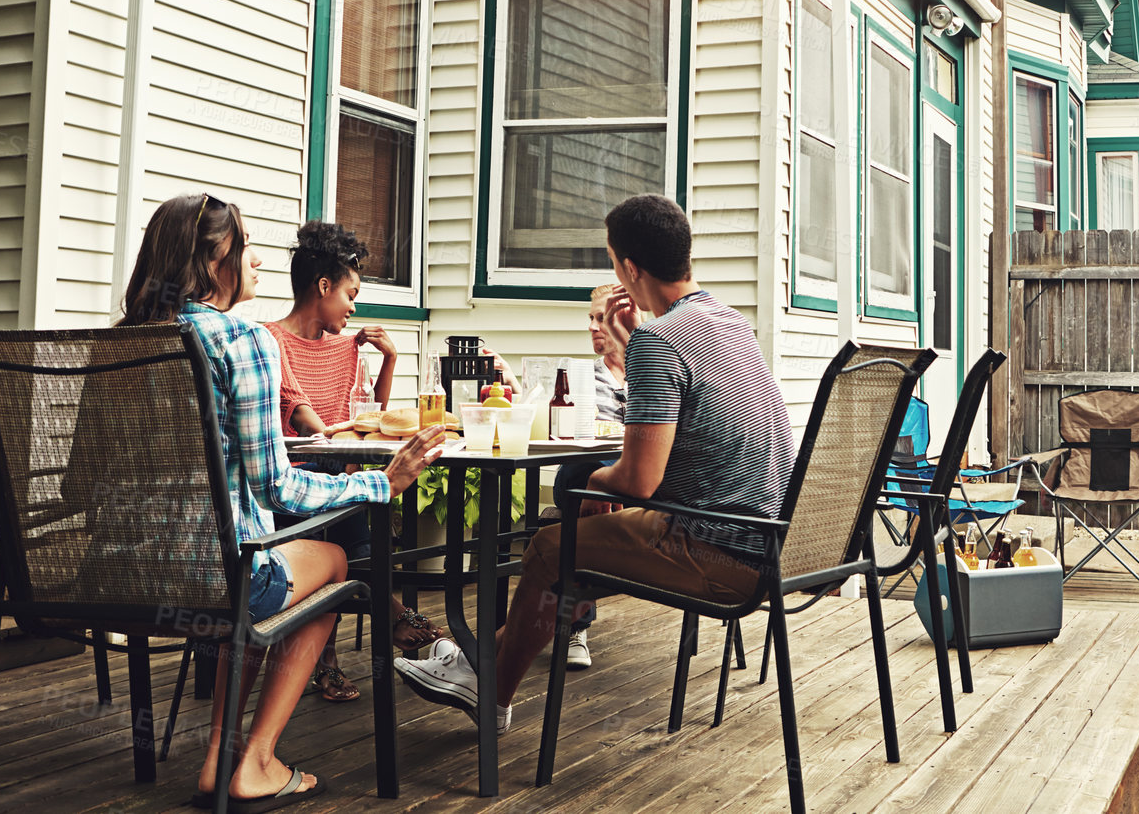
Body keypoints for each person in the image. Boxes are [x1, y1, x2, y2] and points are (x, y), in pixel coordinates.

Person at [395, 194, 793, 732]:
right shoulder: (728, 322)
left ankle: (488, 690)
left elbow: (639, 479)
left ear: (630, 268)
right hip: (764, 540)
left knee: (549, 543)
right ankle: (475, 659)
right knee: (573, 536)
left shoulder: (660, 338)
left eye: (614, 264)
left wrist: (586, 476)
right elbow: (681, 400)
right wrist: (635, 344)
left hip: (714, 554)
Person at [118, 193, 444, 807]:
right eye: (244, 248)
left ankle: (222, 755)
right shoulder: (242, 341)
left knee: (242, 572)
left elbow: (89, 476)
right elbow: (278, 485)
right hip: (210, 575)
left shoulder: (120, 343)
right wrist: (383, 482)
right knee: (332, 564)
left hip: (114, 574)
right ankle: (252, 759)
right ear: (217, 260)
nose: (258, 260)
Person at [263, 220, 444, 702]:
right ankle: (380, 624)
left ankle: (359, 636)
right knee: (346, 514)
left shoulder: (345, 347)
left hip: (332, 480)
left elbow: (366, 420)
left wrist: (388, 363)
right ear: (323, 287)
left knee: (357, 510)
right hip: (284, 489)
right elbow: (308, 425)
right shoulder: (269, 342)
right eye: (350, 293)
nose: (354, 306)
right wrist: (339, 452)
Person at [546, 283, 632, 671]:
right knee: (579, 478)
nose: (594, 327)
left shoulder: (654, 371)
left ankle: (572, 622)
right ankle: (576, 626)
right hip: (586, 481)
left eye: (603, 318)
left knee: (570, 516)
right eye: (591, 319)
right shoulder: (579, 377)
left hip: (635, 485)